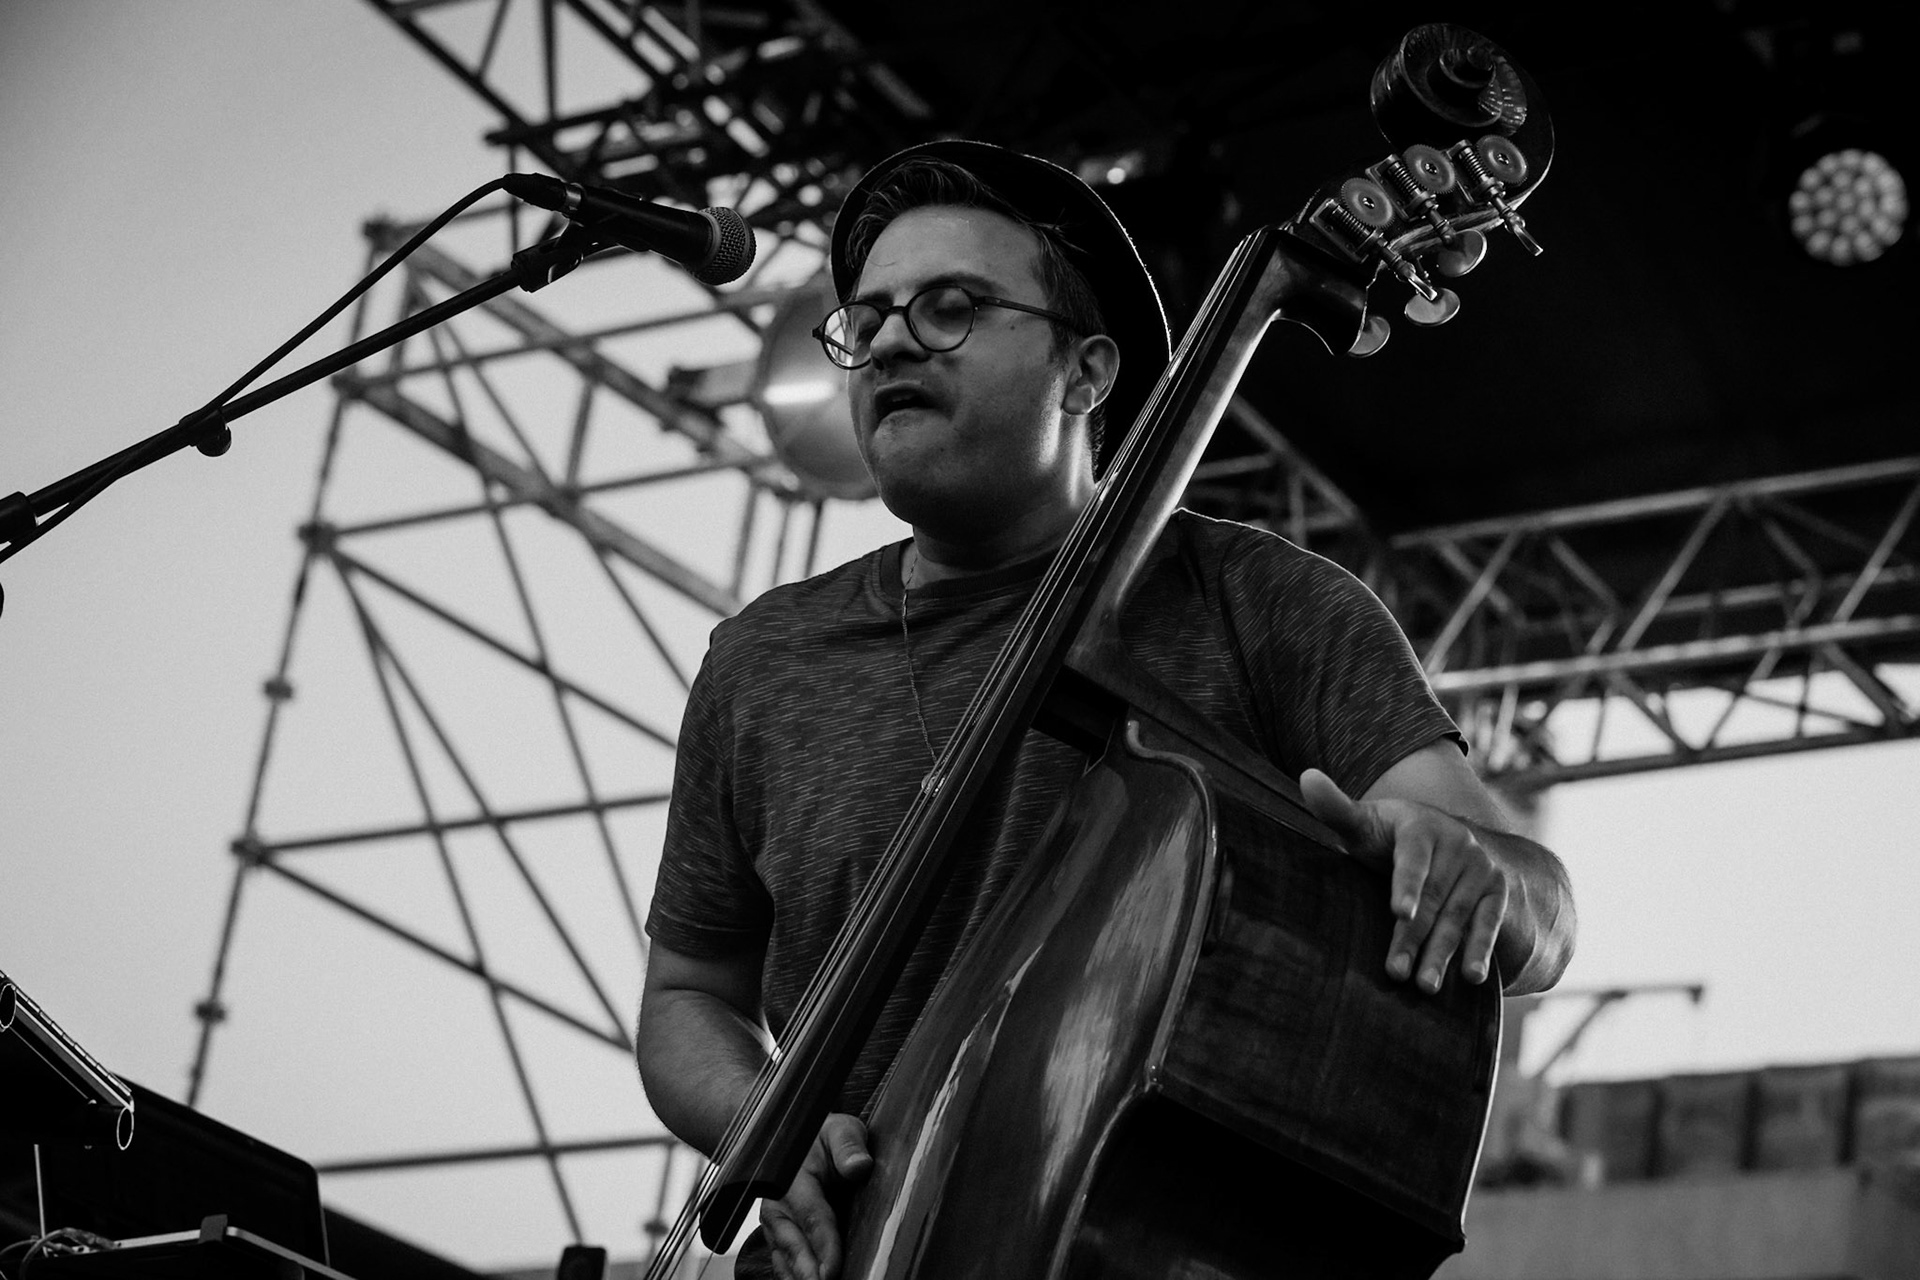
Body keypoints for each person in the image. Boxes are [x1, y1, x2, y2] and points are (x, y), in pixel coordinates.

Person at [637, 139, 1576, 1280]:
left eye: (949, 309)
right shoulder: (763, 661)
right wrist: (763, 1127)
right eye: (865, 319)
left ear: (1085, 372)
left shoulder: (1261, 603)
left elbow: (1541, 914)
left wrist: (1470, 873)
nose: (886, 342)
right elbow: (688, 994)